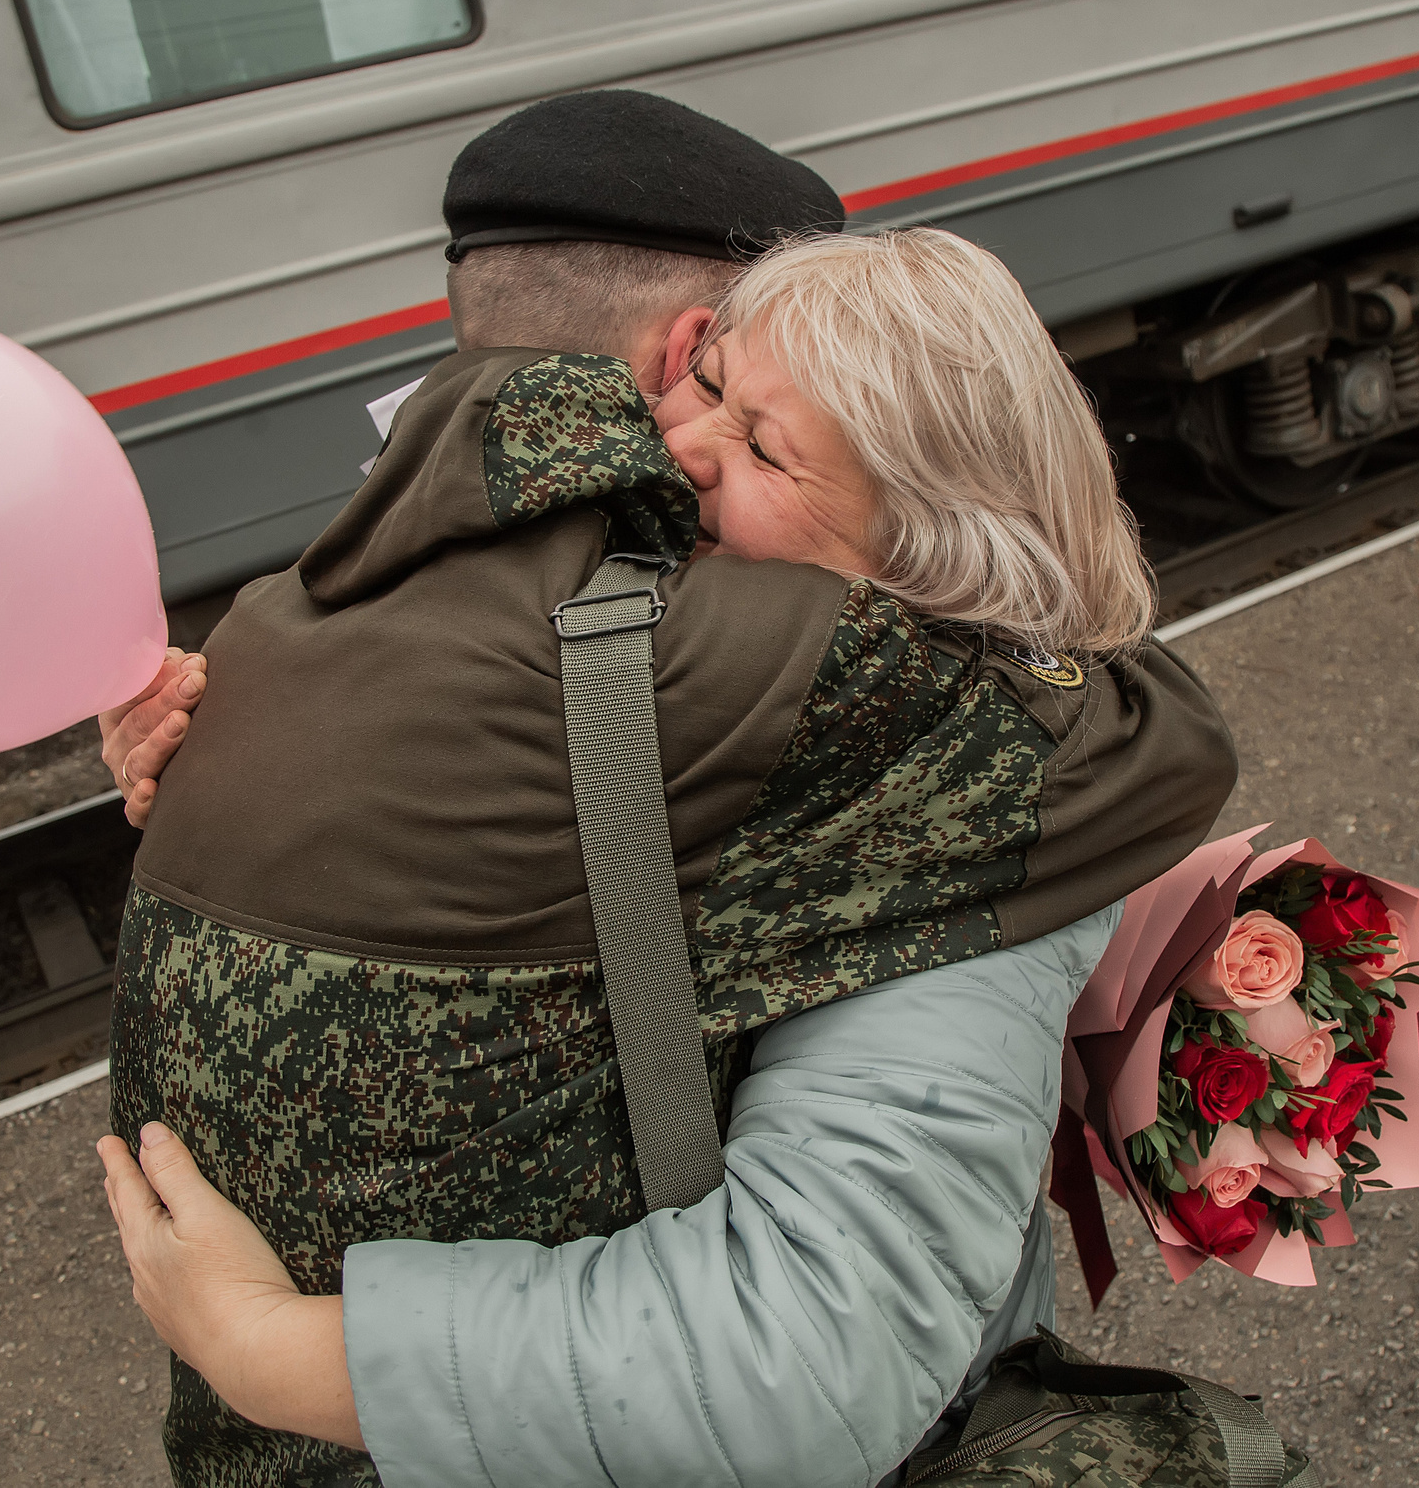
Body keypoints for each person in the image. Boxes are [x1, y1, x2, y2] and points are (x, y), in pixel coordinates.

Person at [93, 95, 1239, 1487]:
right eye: (717, 405)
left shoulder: (315, 610)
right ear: (692, 346)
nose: (694, 454)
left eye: (763, 439)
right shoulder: (712, 659)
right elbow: (1144, 727)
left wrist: (266, 1346)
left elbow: (800, 1348)